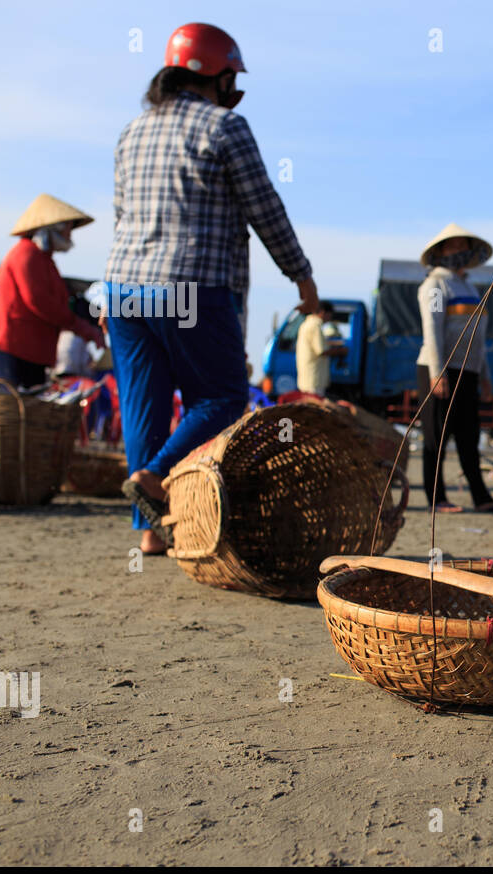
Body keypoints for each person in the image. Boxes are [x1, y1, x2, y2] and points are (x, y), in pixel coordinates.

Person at [104, 23, 318, 555]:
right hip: (190, 285)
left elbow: (122, 215)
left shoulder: (132, 130)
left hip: (124, 287)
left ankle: (149, 531)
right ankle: (155, 479)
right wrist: (302, 275)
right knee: (221, 396)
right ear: (215, 74)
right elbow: (265, 209)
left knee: (143, 410)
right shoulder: (225, 127)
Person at [416, 223, 493, 514]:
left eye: (462, 245)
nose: (458, 250)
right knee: (437, 437)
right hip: (441, 370)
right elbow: (432, 330)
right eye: (452, 245)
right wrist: (437, 371)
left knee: (469, 437)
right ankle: (436, 498)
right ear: (440, 251)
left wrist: (484, 374)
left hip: (468, 372)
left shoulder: (468, 286)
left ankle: (481, 498)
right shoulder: (434, 284)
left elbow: (478, 337)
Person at [0, 195, 105, 387]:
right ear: (53, 229)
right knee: (17, 405)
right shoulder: (26, 255)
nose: (70, 234)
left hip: (30, 346)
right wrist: (82, 327)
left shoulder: (44, 259)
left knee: (32, 406)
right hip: (13, 345)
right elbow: (40, 303)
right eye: (68, 228)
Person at [296, 300, 347, 397]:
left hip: (307, 379)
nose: (330, 318)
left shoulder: (306, 324)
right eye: (330, 315)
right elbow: (321, 351)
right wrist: (341, 351)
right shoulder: (315, 326)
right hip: (314, 380)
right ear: (323, 312)